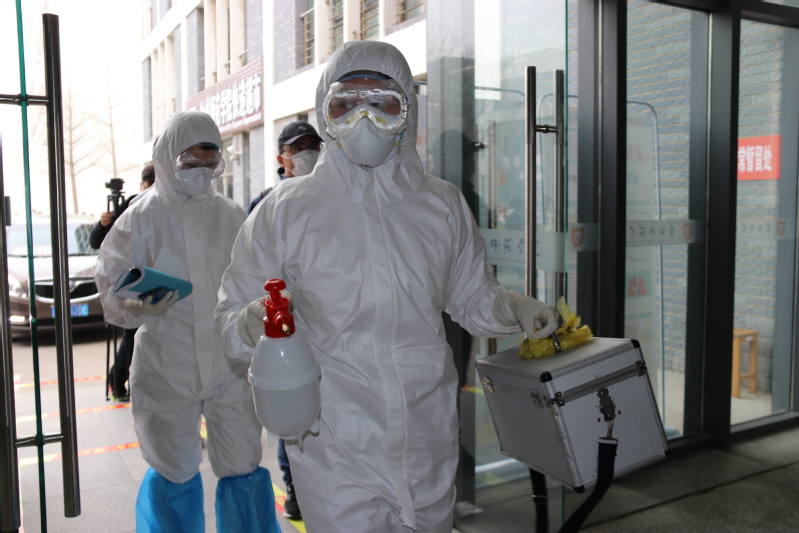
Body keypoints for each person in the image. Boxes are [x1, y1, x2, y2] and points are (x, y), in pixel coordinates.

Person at [215, 41, 557, 532]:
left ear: (407, 110)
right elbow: (231, 314)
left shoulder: (440, 203)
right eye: (346, 105)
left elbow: (471, 295)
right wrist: (250, 325)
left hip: (428, 435)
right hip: (334, 442)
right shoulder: (286, 210)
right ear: (325, 113)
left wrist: (513, 307)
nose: (364, 119)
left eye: (381, 103)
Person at [95, 111, 280, 533]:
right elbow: (111, 285)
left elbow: (253, 278)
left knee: (243, 464)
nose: (201, 169)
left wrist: (255, 316)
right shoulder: (140, 217)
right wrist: (135, 306)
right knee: (172, 470)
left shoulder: (231, 215)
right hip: (167, 364)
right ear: (167, 156)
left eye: (209, 160)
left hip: (229, 366)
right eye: (190, 160)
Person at [92, 164, 156, 401]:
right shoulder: (131, 206)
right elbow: (97, 241)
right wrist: (103, 225)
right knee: (132, 333)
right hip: (134, 279)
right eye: (149, 185)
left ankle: (121, 380)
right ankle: (117, 381)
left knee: (140, 335)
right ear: (142, 185)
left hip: (153, 278)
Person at [247, 120, 323, 214]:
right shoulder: (264, 203)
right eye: (297, 149)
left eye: (313, 148)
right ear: (281, 160)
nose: (307, 154)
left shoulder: (332, 194)